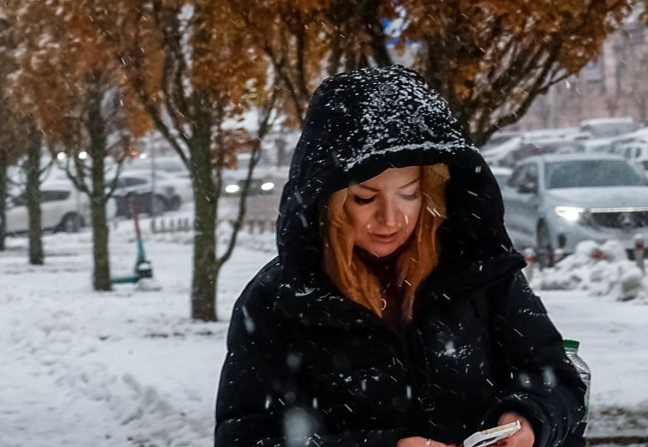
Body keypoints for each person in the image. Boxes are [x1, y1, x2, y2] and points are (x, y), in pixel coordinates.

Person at [216, 66, 587, 447]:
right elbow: (244, 438)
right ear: (328, 201)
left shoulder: (478, 270)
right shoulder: (280, 299)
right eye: (364, 198)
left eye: (408, 194)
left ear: (432, 191)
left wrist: (528, 420)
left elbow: (555, 379)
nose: (390, 219)